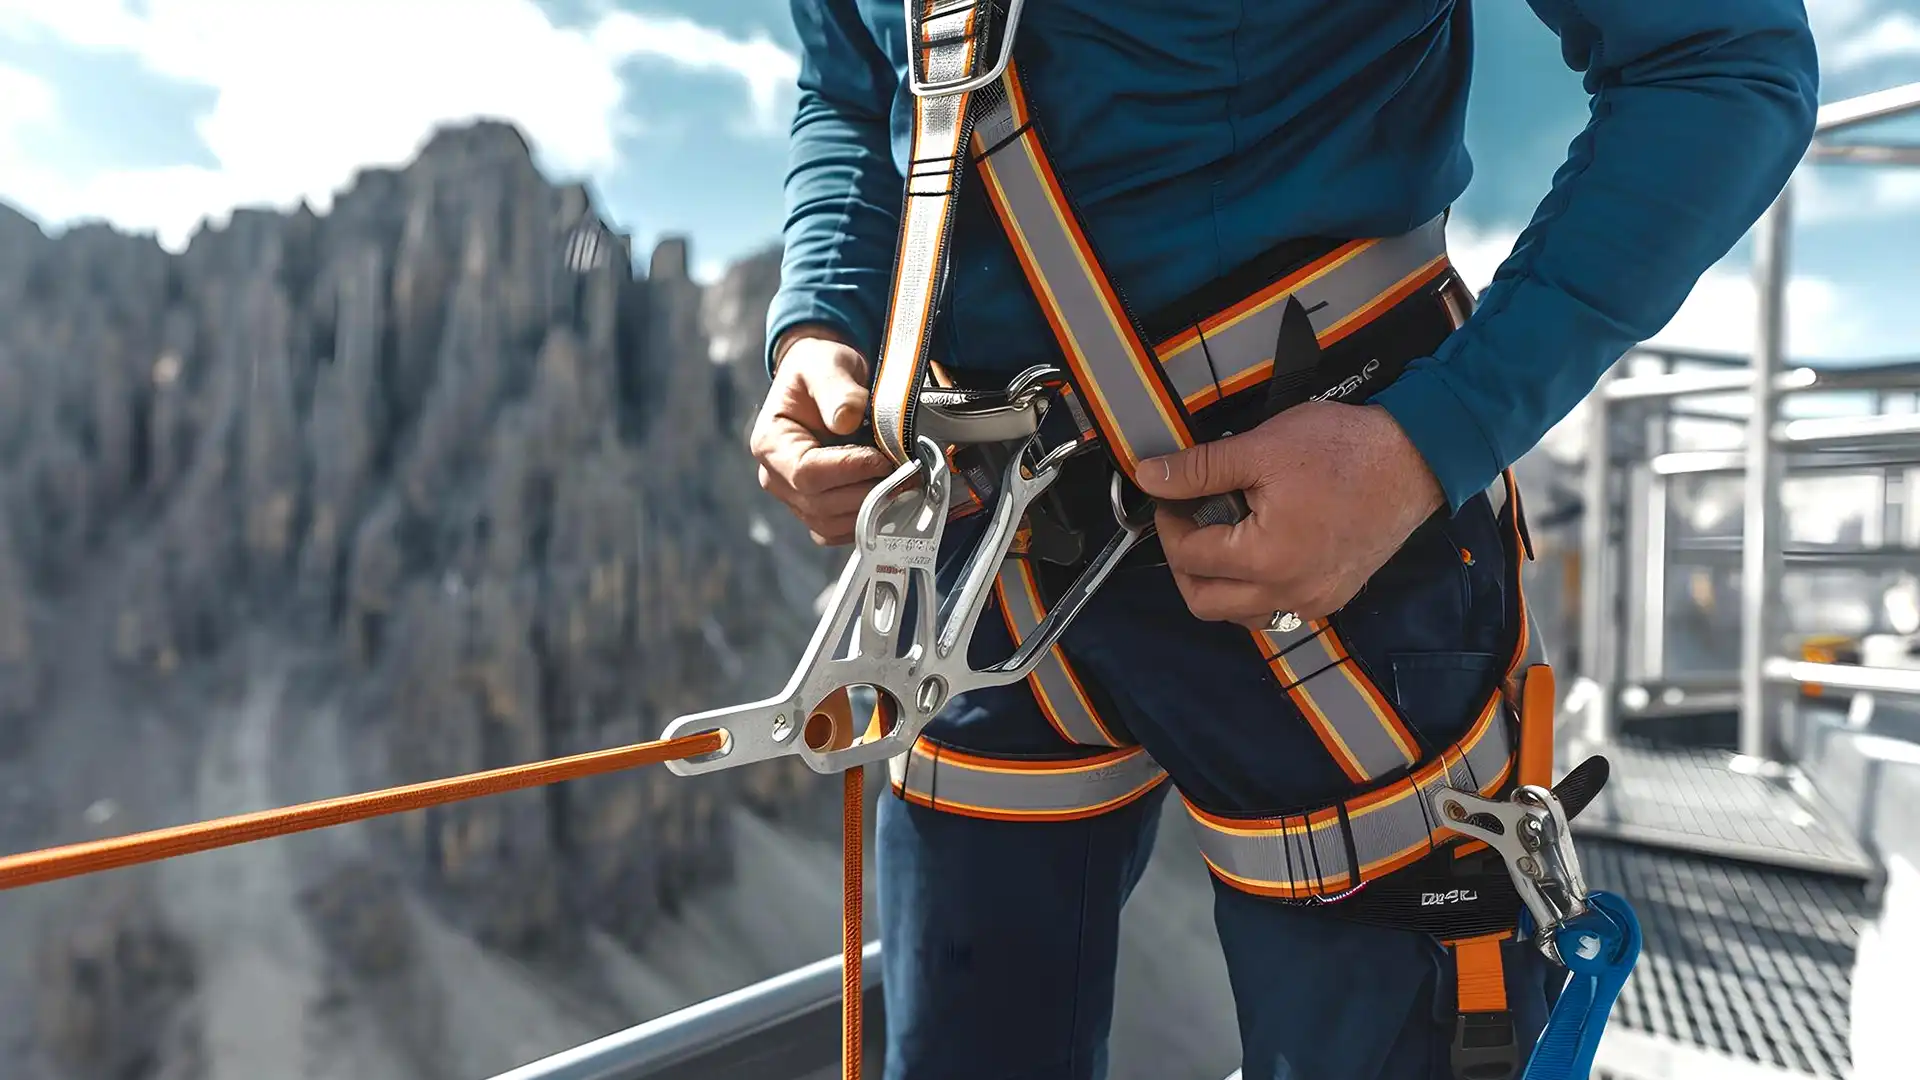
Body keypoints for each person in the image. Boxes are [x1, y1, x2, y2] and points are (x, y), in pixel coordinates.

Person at [750, 2, 1820, 1078]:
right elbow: (856, 84)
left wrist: (1428, 439)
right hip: (981, 576)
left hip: (1342, 557)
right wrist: (821, 321)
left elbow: (1720, 59)